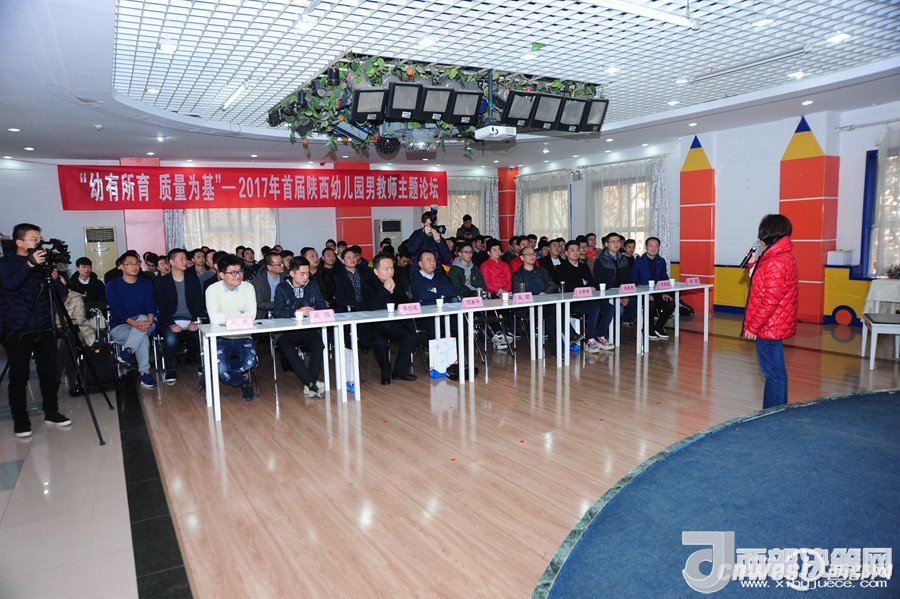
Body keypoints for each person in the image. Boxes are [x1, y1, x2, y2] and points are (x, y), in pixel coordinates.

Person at [0, 223, 72, 437]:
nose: (39, 243)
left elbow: (62, 294)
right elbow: (10, 284)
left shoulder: (43, 264)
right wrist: (29, 264)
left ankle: (52, 412)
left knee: (49, 373)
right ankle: (21, 420)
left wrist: (55, 277)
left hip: (44, 324)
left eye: (40, 239)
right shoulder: (6, 264)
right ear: (19, 242)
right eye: (34, 239)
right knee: (19, 376)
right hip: (17, 327)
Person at [742, 214, 798, 409]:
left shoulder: (776, 261)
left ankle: (771, 415)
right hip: (774, 323)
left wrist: (754, 327)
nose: (759, 238)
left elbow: (770, 300)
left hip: (769, 325)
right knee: (776, 373)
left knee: (773, 374)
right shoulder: (780, 256)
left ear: (768, 233)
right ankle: (777, 412)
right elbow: (761, 282)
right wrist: (752, 262)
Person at [205, 254, 258, 401]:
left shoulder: (248, 287)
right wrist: (239, 313)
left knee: (250, 362)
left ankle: (217, 371)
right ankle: (243, 382)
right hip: (221, 337)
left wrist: (227, 316)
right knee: (223, 372)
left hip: (243, 335)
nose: (238, 275)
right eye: (233, 272)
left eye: (240, 271)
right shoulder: (212, 290)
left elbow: (252, 315)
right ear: (222, 275)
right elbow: (215, 319)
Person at [273, 256, 326, 398]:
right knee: (288, 350)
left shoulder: (312, 285)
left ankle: (310, 384)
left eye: (307, 274)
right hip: (288, 331)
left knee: (318, 345)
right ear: (292, 273)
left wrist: (314, 310)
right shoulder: (282, 288)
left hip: (308, 329)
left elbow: (322, 305)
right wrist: (297, 312)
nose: (306, 277)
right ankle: (312, 383)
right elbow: (278, 312)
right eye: (302, 274)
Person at [362, 254, 418, 385]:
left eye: (392, 268)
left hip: (393, 323)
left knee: (410, 337)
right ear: (376, 271)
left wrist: (395, 292)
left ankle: (400, 371)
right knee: (380, 342)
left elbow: (405, 302)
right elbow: (372, 306)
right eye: (386, 269)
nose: (390, 271)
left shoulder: (396, 282)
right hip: (374, 324)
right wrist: (385, 290)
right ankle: (385, 371)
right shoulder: (367, 284)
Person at [106, 250, 159, 389]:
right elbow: (117, 310)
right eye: (130, 264)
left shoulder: (146, 283)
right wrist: (136, 324)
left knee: (143, 318)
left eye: (137, 263)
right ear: (120, 267)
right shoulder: (112, 285)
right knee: (142, 338)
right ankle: (145, 373)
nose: (134, 266)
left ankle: (128, 351)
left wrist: (149, 322)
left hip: (147, 324)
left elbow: (150, 305)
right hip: (121, 326)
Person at [554, 240, 615, 353]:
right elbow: (569, 287)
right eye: (572, 250)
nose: (576, 252)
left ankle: (600, 336)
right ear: (566, 253)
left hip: (588, 298)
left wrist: (590, 287)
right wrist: (586, 287)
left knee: (609, 307)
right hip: (572, 301)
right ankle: (589, 340)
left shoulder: (584, 266)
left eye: (577, 250)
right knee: (594, 308)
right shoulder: (560, 268)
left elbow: (592, 282)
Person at [155, 248, 204, 384]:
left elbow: (198, 302)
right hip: (171, 320)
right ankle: (171, 369)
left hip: (190, 319)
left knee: (202, 337)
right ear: (171, 262)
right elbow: (162, 306)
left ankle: (203, 366)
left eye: (185, 259)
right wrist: (171, 323)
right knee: (171, 339)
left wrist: (194, 321)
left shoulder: (192, 279)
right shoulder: (162, 282)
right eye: (181, 259)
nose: (185, 262)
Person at [511, 245, 559, 356]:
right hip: (529, 307)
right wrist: (536, 296)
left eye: (533, 254)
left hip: (545, 303)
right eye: (528, 254)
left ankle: (556, 348)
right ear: (522, 258)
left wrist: (544, 293)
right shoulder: (517, 275)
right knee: (554, 311)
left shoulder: (542, 271)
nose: (532, 256)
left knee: (556, 311)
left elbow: (552, 285)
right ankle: (569, 337)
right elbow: (518, 293)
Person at [631, 237, 675, 339]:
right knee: (650, 305)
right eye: (651, 246)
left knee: (671, 304)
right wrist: (646, 294)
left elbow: (664, 278)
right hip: (642, 293)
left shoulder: (661, 261)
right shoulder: (639, 261)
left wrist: (665, 292)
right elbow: (633, 281)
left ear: (659, 248)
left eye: (656, 246)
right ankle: (648, 329)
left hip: (658, 293)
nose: (653, 249)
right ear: (646, 247)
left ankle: (658, 326)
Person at [333, 246, 373, 312]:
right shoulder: (338, 274)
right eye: (349, 257)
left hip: (366, 307)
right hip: (347, 308)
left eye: (354, 257)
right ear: (343, 261)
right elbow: (339, 295)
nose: (352, 259)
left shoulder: (365, 271)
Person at [252, 251, 286, 319]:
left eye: (282, 262)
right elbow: (259, 304)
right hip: (265, 314)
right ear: (269, 267)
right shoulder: (260, 280)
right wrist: (277, 305)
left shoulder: (286, 276)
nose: (282, 265)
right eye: (279, 264)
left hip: (284, 312)